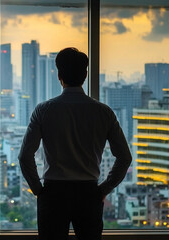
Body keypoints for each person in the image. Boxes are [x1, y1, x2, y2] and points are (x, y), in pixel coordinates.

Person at [18, 47, 132, 240]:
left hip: (53, 193)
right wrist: (104, 188)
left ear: (59, 75)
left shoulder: (43, 110)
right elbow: (124, 157)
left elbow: (24, 156)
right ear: (85, 75)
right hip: (88, 193)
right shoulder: (104, 112)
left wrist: (38, 190)